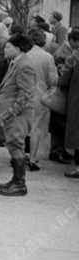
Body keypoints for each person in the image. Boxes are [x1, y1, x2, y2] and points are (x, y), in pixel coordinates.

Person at [0, 34, 39, 196]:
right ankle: (15, 179)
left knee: (16, 145)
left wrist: (10, 113)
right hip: (14, 114)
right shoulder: (17, 62)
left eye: (8, 47)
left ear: (18, 48)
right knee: (13, 145)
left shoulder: (24, 65)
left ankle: (20, 184)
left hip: (18, 115)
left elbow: (26, 95)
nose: (4, 49)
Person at [25, 27, 58, 171]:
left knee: (22, 128)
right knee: (36, 129)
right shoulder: (47, 57)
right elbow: (53, 80)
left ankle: (18, 157)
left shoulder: (23, 55)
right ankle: (33, 158)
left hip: (22, 95)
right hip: (40, 97)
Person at [57, 30, 79, 177]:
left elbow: (63, 80)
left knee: (77, 133)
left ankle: (77, 167)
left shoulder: (75, 56)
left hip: (76, 100)